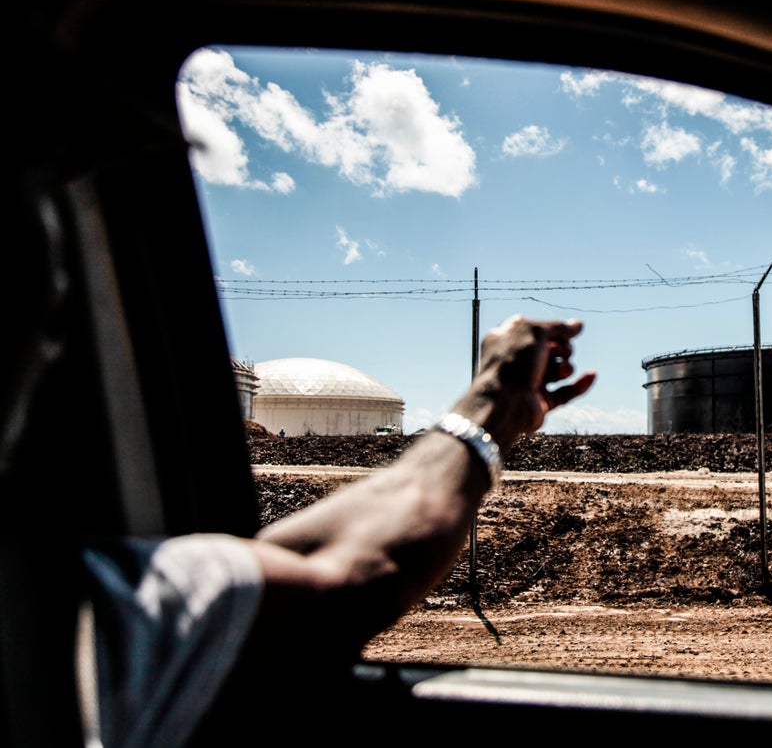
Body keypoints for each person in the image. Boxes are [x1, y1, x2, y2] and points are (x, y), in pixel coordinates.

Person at [79, 315, 596, 748]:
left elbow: (275, 574)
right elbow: (344, 573)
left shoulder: (92, 602)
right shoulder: (94, 616)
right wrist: (493, 406)